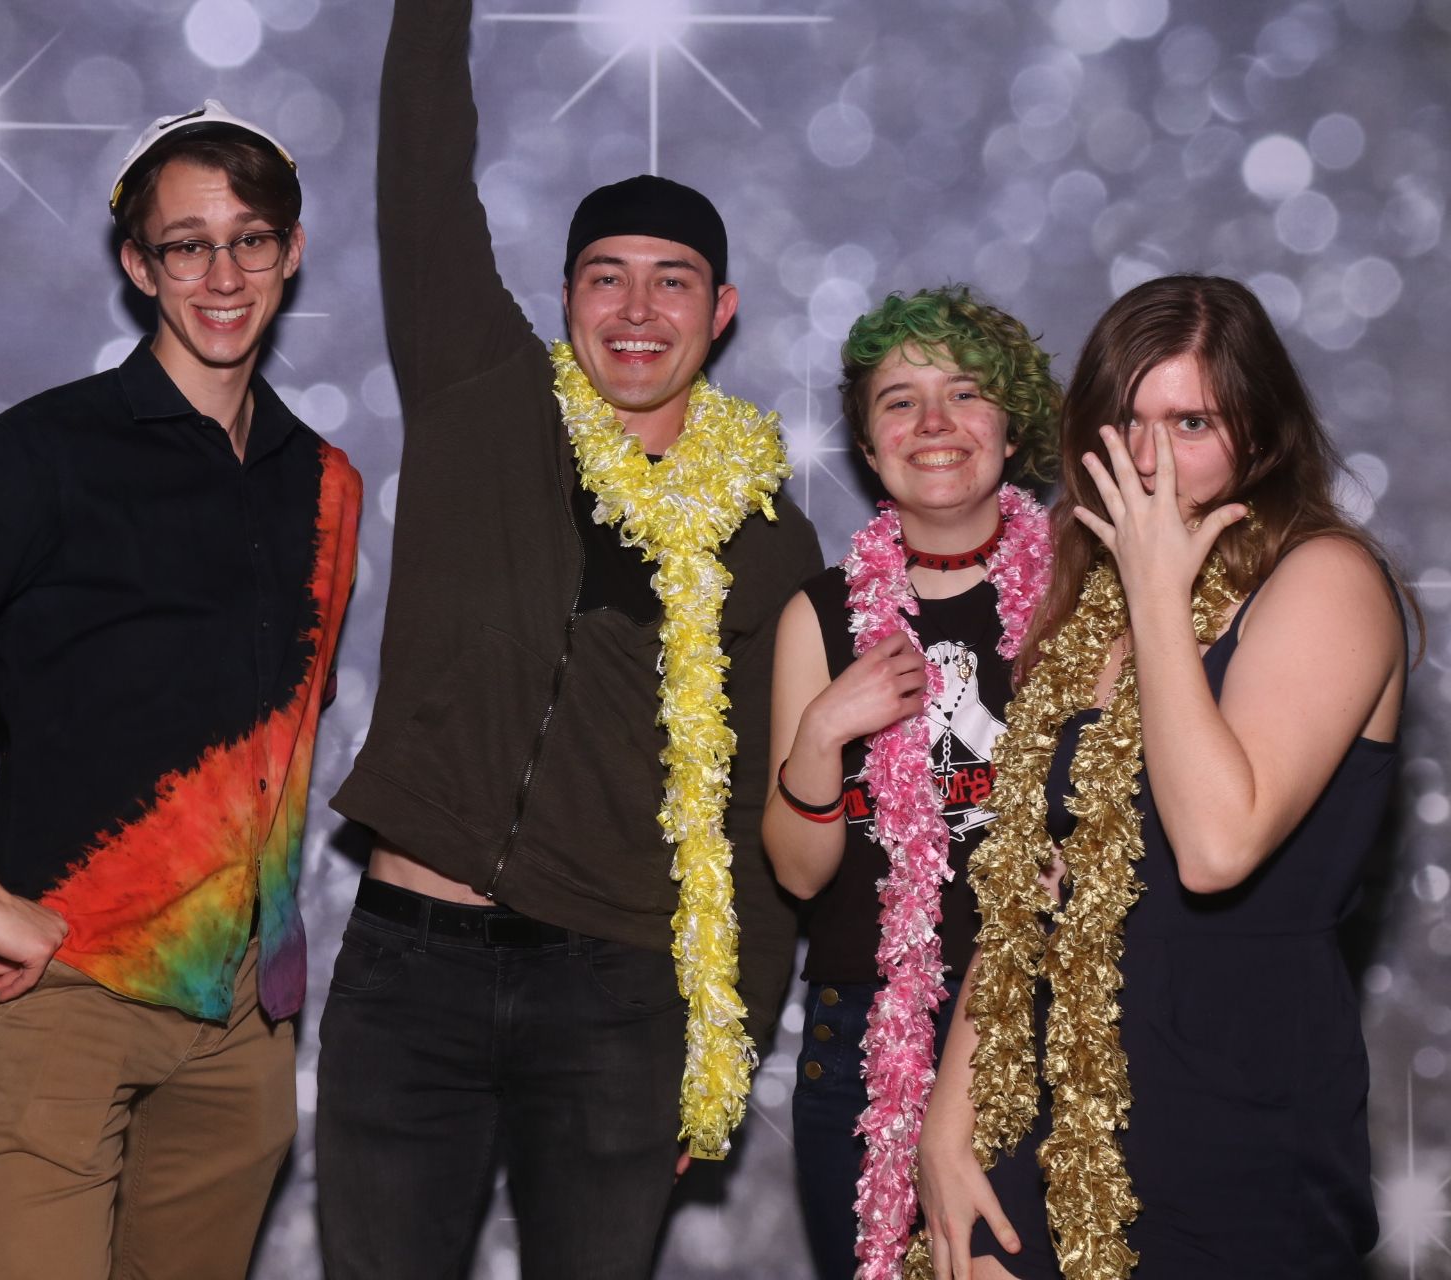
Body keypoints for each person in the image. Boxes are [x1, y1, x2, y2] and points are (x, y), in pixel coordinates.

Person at [0, 103, 361, 1280]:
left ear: (291, 252)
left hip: (246, 1020)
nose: (222, 274)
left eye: (250, 240)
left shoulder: (326, 481)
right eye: (187, 244)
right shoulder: (51, 448)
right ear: (138, 265)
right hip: (68, 988)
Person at [315, 1, 822, 1275]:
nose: (637, 308)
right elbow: (423, 169)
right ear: (565, 298)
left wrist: (726, 1045)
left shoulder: (768, 535)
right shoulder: (480, 392)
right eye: (607, 275)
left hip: (618, 997)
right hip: (413, 965)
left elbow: (755, 817)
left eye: (672, 279)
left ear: (722, 307)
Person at [914, 274, 1411, 1280]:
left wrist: (1155, 590)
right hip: (1042, 1130)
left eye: (1191, 422)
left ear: (1260, 436)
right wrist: (946, 1123)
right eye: (1127, 423)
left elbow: (1217, 845)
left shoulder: (1326, 580)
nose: (1149, 461)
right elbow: (1032, 889)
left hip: (1235, 1133)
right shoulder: (1088, 616)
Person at [764, 286, 1059, 1279]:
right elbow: (799, 873)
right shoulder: (819, 614)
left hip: (1046, 1025)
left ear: (1011, 428)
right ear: (866, 442)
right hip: (861, 1042)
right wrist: (822, 731)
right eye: (900, 400)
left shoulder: (1084, 599)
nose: (933, 422)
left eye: (965, 393)